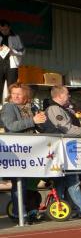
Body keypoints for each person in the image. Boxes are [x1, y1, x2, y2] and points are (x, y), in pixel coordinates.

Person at [42, 85, 81, 219]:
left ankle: (66, 208)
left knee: (64, 182)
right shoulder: (54, 109)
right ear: (59, 96)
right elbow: (67, 129)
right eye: (67, 94)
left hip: (61, 150)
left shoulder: (60, 109)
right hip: (61, 150)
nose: (69, 96)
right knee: (71, 181)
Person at [1, 83, 46, 221]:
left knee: (28, 183)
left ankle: (30, 210)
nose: (15, 96)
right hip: (17, 150)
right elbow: (11, 126)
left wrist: (41, 121)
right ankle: (19, 213)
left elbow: (40, 128)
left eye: (18, 94)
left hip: (30, 150)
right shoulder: (9, 107)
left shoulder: (31, 107)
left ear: (26, 96)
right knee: (19, 183)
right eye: (13, 93)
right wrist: (33, 120)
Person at [0, 20, 25, 99]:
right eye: (1, 30)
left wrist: (13, 51)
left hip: (11, 65)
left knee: (12, 87)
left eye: (5, 29)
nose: (4, 31)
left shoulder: (16, 37)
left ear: (9, 28)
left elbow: (22, 51)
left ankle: (11, 104)